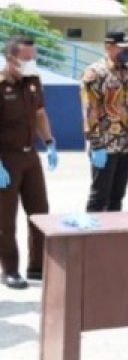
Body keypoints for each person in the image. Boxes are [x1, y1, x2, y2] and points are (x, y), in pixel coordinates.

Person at [0, 36, 57, 289]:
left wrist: (50, 141)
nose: (32, 62)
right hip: (6, 158)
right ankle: (10, 269)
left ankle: (37, 267)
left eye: (34, 58)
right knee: (5, 218)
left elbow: (40, 113)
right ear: (11, 59)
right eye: (27, 58)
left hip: (30, 156)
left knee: (40, 211)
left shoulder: (33, 81)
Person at [82, 31, 128, 212]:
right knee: (99, 196)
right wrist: (96, 144)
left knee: (117, 197)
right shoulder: (95, 73)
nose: (127, 51)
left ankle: (111, 237)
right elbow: (89, 109)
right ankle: (92, 237)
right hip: (105, 145)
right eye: (122, 48)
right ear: (108, 47)